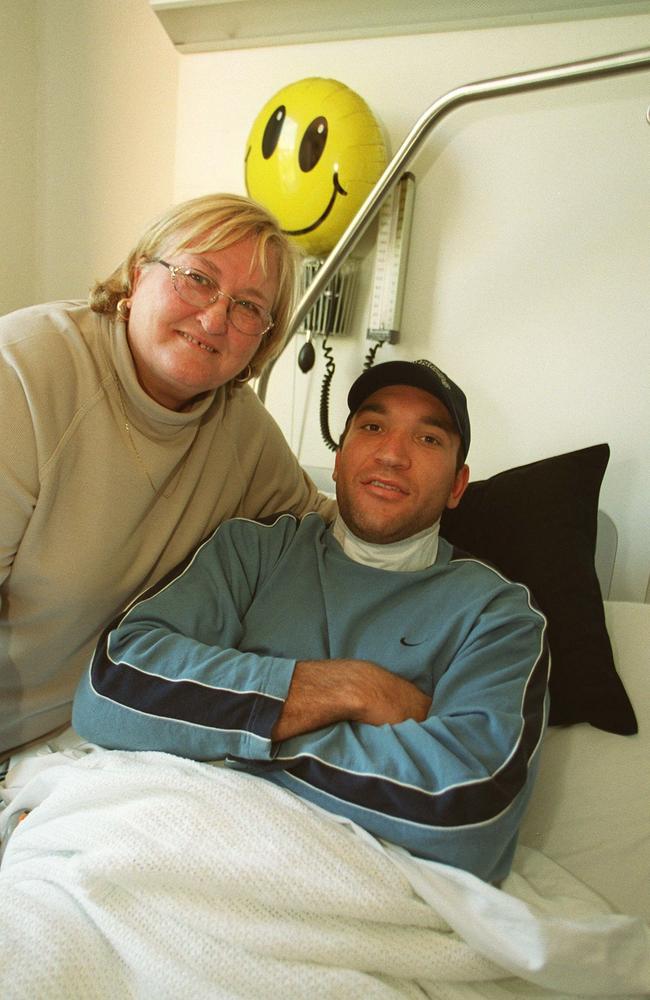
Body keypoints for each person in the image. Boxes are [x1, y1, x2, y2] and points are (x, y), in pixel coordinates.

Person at [73, 359, 549, 883]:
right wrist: (353, 689)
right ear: (340, 457)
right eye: (372, 427)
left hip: (352, 889)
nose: (392, 454)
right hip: (173, 849)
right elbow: (110, 687)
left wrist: (221, 730)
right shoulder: (251, 552)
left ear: (458, 486)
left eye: (429, 439)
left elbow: (470, 813)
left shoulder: (497, 616)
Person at [0, 193, 334, 756]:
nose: (214, 318)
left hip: (102, 745)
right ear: (137, 275)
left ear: (263, 341)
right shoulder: (26, 374)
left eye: (249, 307)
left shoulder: (243, 434)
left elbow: (331, 530)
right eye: (197, 278)